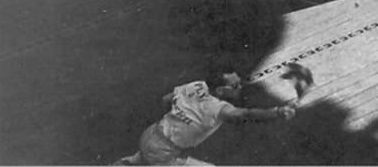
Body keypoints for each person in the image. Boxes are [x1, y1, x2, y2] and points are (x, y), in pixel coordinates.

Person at [116, 63, 313, 165]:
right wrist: (277, 112)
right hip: (163, 154)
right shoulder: (217, 109)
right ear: (220, 91)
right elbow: (246, 114)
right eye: (234, 85)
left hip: (150, 136)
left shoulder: (196, 85)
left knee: (139, 161)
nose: (240, 87)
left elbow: (166, 100)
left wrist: (180, 116)